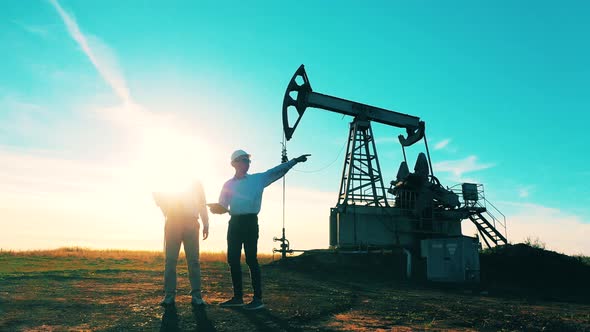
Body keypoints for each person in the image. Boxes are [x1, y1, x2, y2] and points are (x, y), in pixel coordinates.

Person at [209, 149, 310, 310]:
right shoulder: (228, 184)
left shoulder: (257, 179)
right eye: (243, 160)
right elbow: (223, 206)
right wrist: (217, 209)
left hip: (250, 222)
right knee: (233, 259)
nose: (247, 163)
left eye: (248, 160)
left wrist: (294, 161)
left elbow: (276, 171)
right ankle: (238, 298)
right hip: (234, 222)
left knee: (251, 259)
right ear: (234, 163)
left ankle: (257, 299)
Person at [153, 181, 209, 307]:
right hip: (173, 221)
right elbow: (158, 196)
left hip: (191, 221)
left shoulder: (197, 184)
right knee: (170, 260)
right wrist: (166, 210)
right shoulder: (168, 181)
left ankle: (196, 295)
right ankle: (169, 295)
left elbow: (202, 204)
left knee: (193, 260)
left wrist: (206, 223)